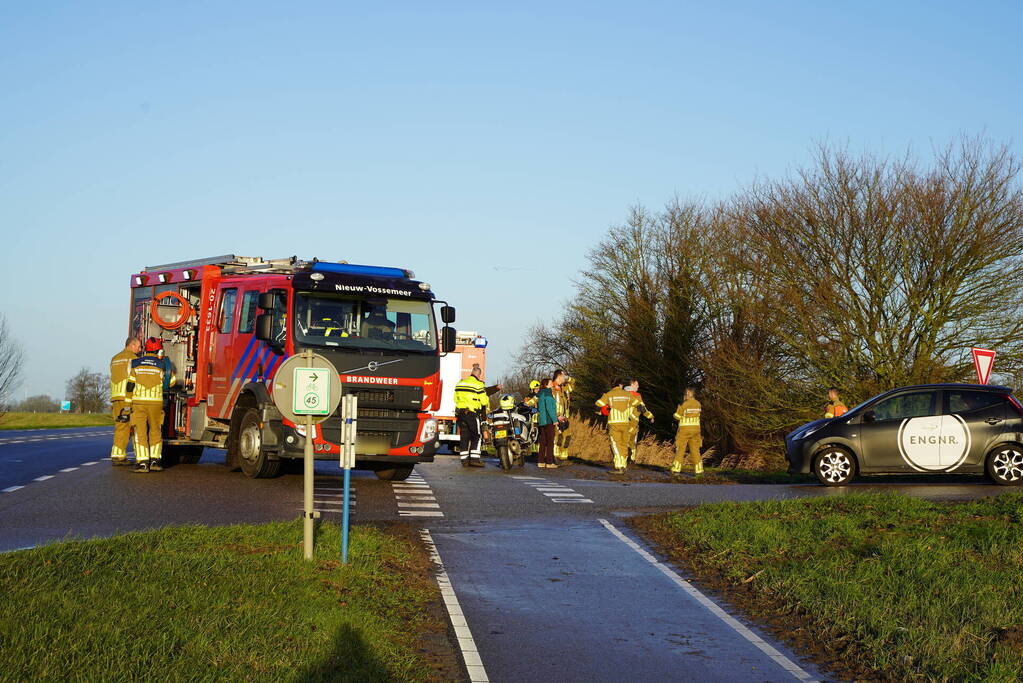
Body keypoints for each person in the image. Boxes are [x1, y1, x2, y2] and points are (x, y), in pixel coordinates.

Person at [125, 337, 175, 473]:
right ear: (159, 350)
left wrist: (127, 405)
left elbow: (130, 385)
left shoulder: (135, 363)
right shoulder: (162, 364)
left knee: (140, 433)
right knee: (155, 431)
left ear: (145, 349)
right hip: (156, 403)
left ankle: (142, 463)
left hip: (139, 403)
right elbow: (171, 382)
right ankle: (155, 461)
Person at [595, 381, 650, 474]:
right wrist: (648, 415)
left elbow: (598, 404)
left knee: (615, 444)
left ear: (613, 385)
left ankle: (619, 466)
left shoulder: (609, 394)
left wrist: (603, 411)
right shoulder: (627, 394)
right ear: (621, 385)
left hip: (614, 423)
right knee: (624, 444)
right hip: (625, 423)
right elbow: (639, 405)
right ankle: (624, 465)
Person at [453, 364, 501, 467]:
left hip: (460, 413)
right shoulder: (479, 385)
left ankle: (464, 460)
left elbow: (455, 399)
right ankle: (474, 459)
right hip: (472, 413)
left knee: (464, 436)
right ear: (479, 375)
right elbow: (484, 401)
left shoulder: (460, 383)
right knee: (476, 436)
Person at [109, 336, 141, 466]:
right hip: (128, 398)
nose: (140, 349)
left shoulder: (115, 358)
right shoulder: (134, 359)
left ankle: (117, 454)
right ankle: (140, 456)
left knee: (120, 425)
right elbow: (137, 378)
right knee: (134, 426)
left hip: (115, 397)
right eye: (138, 346)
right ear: (132, 345)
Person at [672, 387, 703, 477]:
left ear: (688, 394)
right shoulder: (698, 404)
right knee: (695, 450)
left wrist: (675, 413)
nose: (684, 395)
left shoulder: (684, 404)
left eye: (685, 394)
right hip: (696, 430)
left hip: (684, 430)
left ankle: (676, 470)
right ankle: (699, 471)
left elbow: (677, 416)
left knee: (680, 449)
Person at [625, 378, 654, 462]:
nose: (638, 386)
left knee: (623, 440)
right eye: (637, 385)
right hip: (633, 423)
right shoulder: (637, 395)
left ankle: (621, 459)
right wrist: (650, 416)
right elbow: (642, 408)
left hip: (622, 421)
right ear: (632, 385)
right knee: (632, 442)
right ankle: (631, 460)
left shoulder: (622, 394)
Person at [536, 378, 558, 469]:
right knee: (550, 442)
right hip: (549, 421)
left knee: (543, 442)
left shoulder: (540, 394)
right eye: (550, 382)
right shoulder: (548, 394)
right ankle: (549, 462)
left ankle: (541, 461)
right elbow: (550, 408)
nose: (552, 383)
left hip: (542, 421)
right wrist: (555, 419)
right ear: (546, 385)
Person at [551, 369, 573, 461]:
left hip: (565, 418)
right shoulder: (551, 388)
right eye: (563, 376)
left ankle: (563, 458)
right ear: (559, 376)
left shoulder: (564, 388)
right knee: (557, 437)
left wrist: (568, 378)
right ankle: (555, 457)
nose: (565, 377)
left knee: (567, 437)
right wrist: (556, 416)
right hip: (556, 418)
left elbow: (573, 383)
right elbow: (549, 404)